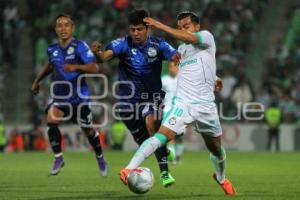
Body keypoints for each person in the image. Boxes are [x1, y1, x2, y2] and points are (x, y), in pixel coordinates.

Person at [119, 11, 236, 195]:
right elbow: (196, 68)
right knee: (161, 136)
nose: (182, 30)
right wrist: (214, 76)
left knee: (216, 150)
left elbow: (202, 55)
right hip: (183, 103)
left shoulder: (206, 37)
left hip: (206, 106)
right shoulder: (181, 50)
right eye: (180, 27)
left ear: (197, 27)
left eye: (186, 26)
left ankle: (221, 178)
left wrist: (161, 25)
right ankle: (128, 169)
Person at [91, 9, 178, 187]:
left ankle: (165, 173)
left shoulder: (159, 45)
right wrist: (96, 54)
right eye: (133, 29)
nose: (136, 33)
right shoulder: (122, 44)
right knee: (144, 141)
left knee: (152, 126)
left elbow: (176, 57)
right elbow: (103, 58)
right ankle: (163, 150)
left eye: (139, 29)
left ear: (148, 28)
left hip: (151, 97)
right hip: (127, 102)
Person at [31, 14, 108, 176]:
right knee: (51, 120)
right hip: (60, 97)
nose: (63, 28)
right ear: (55, 29)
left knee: (88, 131)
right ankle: (59, 157)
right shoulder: (52, 49)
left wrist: (76, 67)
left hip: (79, 98)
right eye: (60, 25)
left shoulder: (80, 46)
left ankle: (100, 157)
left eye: (67, 25)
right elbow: (51, 66)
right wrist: (37, 80)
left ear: (72, 28)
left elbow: (95, 68)